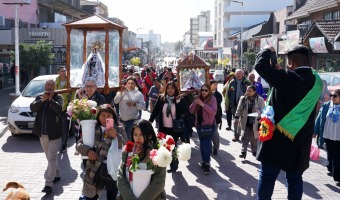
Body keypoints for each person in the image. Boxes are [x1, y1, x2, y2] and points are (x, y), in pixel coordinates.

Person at [255, 45, 323, 199]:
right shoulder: (317, 82)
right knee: (294, 179)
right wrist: (281, 73)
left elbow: (260, 66)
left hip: (276, 138)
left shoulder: (285, 78)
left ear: (291, 62)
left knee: (267, 177)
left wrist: (266, 50)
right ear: (310, 61)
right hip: (300, 140)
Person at [76, 104, 126, 200]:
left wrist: (117, 136)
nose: (105, 118)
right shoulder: (93, 128)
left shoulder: (119, 128)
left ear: (113, 117)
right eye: (103, 116)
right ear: (98, 117)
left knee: (112, 196)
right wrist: (88, 151)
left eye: (109, 116)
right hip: (94, 168)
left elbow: (126, 147)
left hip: (113, 169)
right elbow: (78, 144)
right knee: (92, 196)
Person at [117, 119, 166, 199]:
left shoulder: (157, 153)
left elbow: (158, 182)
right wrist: (130, 198)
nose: (138, 138)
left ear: (150, 135)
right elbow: (121, 175)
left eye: (141, 134)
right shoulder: (128, 151)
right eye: (135, 134)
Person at [30, 79, 63, 194]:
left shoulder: (58, 97)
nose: (50, 87)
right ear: (45, 86)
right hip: (42, 134)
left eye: (52, 85)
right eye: (48, 85)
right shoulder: (39, 96)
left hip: (54, 135)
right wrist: (42, 100)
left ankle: (48, 183)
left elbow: (58, 109)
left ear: (55, 86)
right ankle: (57, 174)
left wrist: (50, 100)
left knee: (52, 158)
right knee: (50, 158)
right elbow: (32, 108)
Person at [149, 81, 186, 173]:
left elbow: (183, 111)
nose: (170, 90)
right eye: (168, 88)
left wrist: (177, 101)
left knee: (173, 146)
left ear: (175, 90)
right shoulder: (162, 98)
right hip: (163, 127)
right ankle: (166, 162)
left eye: (172, 88)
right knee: (165, 146)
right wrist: (150, 120)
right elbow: (155, 110)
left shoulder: (178, 99)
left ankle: (174, 165)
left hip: (174, 128)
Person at [189, 83, 217, 175]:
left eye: (206, 90)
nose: (204, 92)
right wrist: (195, 102)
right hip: (200, 126)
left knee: (206, 144)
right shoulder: (199, 98)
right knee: (202, 144)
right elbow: (191, 111)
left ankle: (207, 162)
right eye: (202, 90)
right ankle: (204, 161)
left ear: (209, 91)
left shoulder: (212, 99)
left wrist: (203, 105)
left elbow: (213, 112)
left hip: (209, 126)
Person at [314, 89, 340, 186]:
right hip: (328, 135)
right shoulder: (326, 106)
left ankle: (337, 176)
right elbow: (319, 119)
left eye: (335, 96)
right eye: (331, 95)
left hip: (338, 136)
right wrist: (315, 131)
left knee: (337, 156)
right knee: (330, 153)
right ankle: (330, 167)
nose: (332, 97)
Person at [234, 85, 264, 159]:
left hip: (255, 121)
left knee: (254, 137)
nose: (248, 92)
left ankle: (254, 151)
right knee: (244, 136)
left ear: (254, 92)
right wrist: (236, 117)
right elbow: (239, 108)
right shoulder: (243, 98)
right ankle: (243, 151)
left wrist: (258, 111)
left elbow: (263, 110)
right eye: (247, 90)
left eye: (250, 91)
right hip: (245, 120)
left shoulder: (260, 99)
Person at [227, 69, 251, 141]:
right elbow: (229, 93)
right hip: (234, 105)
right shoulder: (232, 82)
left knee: (244, 121)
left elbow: (251, 93)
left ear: (243, 74)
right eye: (237, 73)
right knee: (236, 121)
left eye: (240, 73)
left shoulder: (247, 82)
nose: (238, 75)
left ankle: (244, 136)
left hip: (245, 105)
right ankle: (236, 135)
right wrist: (229, 103)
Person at [55, 66, 72, 153]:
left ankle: (64, 144)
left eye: (65, 71)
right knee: (59, 127)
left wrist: (71, 104)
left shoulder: (69, 81)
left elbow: (72, 92)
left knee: (65, 127)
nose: (64, 72)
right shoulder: (56, 81)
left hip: (66, 107)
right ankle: (60, 142)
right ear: (58, 72)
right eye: (62, 71)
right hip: (57, 107)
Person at [210, 80, 222, 155]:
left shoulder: (218, 95)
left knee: (214, 132)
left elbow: (217, 103)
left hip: (216, 116)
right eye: (214, 84)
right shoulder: (205, 93)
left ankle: (216, 147)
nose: (215, 86)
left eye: (216, 85)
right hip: (207, 117)